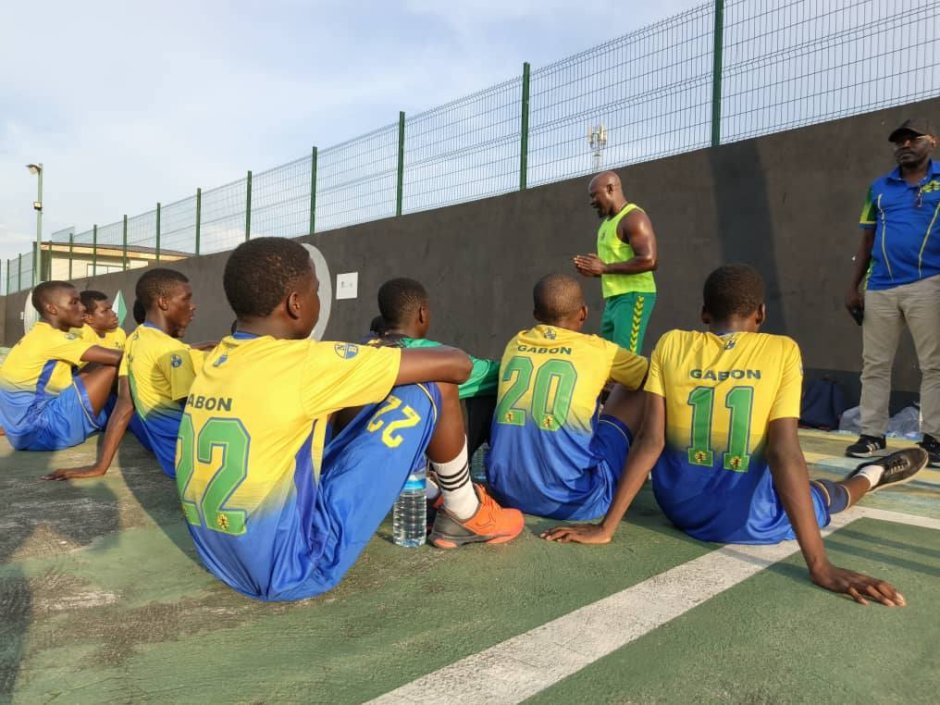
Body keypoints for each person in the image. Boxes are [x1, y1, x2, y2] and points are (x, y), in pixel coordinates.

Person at [544, 264, 928, 607]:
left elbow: (651, 441)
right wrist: (820, 565)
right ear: (760, 314)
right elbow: (783, 453)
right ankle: (871, 475)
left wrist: (606, 528)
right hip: (749, 520)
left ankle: (864, 476)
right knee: (827, 494)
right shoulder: (782, 350)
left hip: (680, 509)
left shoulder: (671, 344)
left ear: (704, 314)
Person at [177, 238, 523, 601]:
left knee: (339, 407)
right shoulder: (307, 362)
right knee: (432, 383)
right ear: (296, 304)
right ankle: (465, 510)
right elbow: (458, 365)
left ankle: (434, 492)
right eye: (315, 290)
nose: (317, 298)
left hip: (222, 559)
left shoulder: (215, 360)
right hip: (295, 568)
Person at [485, 273, 649, 520]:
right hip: (575, 501)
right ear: (583, 313)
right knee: (640, 386)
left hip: (505, 493)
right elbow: (652, 376)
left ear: (536, 315)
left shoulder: (515, 343)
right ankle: (646, 466)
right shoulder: (599, 350)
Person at [44, 269, 205, 480]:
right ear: (163, 302)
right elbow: (196, 413)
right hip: (199, 466)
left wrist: (99, 466)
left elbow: (124, 405)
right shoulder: (171, 350)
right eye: (186, 299)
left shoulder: (135, 340)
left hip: (173, 464)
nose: (192, 306)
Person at [845, 118, 940, 466]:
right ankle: (871, 435)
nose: (905, 146)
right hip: (880, 287)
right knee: (874, 365)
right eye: (899, 141)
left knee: (934, 365)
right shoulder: (879, 188)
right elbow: (867, 238)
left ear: (932, 141)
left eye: (913, 139)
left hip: (929, 283)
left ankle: (934, 439)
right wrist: (853, 286)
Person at [373, 278, 500, 456]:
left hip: (375, 443)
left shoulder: (368, 348)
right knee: (487, 395)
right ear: (422, 313)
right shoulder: (435, 357)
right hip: (417, 456)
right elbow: (497, 373)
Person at [0, 281, 121, 451]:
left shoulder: (40, 333)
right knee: (113, 366)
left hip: (22, 431)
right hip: (40, 431)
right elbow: (120, 358)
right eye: (74, 303)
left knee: (98, 365)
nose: (82, 308)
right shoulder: (53, 339)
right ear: (52, 309)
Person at [573, 171, 658, 353]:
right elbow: (612, 267)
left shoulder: (633, 218)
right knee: (610, 356)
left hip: (634, 296)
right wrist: (595, 270)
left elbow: (650, 260)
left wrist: (604, 268)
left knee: (627, 359)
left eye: (594, 195)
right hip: (613, 300)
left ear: (610, 189)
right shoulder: (606, 225)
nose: (592, 201)